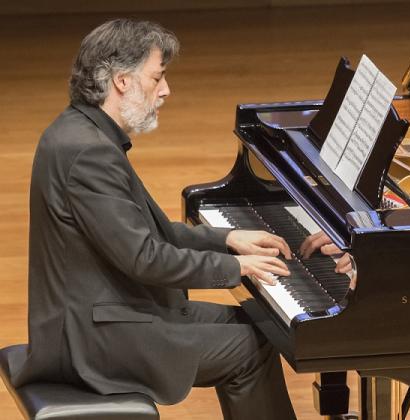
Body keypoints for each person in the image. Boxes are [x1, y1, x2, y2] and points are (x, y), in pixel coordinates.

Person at [10, 19, 298, 420]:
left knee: (259, 327)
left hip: (102, 314)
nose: (165, 90)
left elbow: (148, 233)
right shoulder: (90, 152)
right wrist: (236, 268)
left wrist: (228, 240)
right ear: (122, 81)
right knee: (247, 350)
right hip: (93, 340)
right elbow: (145, 258)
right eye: (157, 77)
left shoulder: (79, 131)